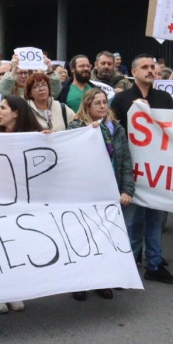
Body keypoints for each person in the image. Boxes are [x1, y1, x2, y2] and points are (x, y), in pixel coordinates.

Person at [109, 54, 173, 284]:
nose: (150, 70)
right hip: (132, 170)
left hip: (157, 169)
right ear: (134, 72)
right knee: (133, 220)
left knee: (156, 219)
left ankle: (154, 264)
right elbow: (112, 131)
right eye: (145, 67)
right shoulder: (121, 100)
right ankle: (126, 264)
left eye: (153, 67)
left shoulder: (165, 98)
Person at [67, 88, 133, 301]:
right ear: (87, 105)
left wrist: (126, 190)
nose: (103, 106)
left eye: (105, 102)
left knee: (105, 239)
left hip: (109, 193)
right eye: (98, 103)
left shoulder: (116, 129)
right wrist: (87, 133)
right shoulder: (76, 128)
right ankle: (79, 282)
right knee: (83, 239)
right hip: (85, 194)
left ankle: (102, 281)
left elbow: (125, 161)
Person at [0, 95, 42, 312]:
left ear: (16, 113)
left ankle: (14, 290)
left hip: (22, 200)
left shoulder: (34, 134)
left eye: (3, 107)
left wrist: (48, 140)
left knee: (16, 245)